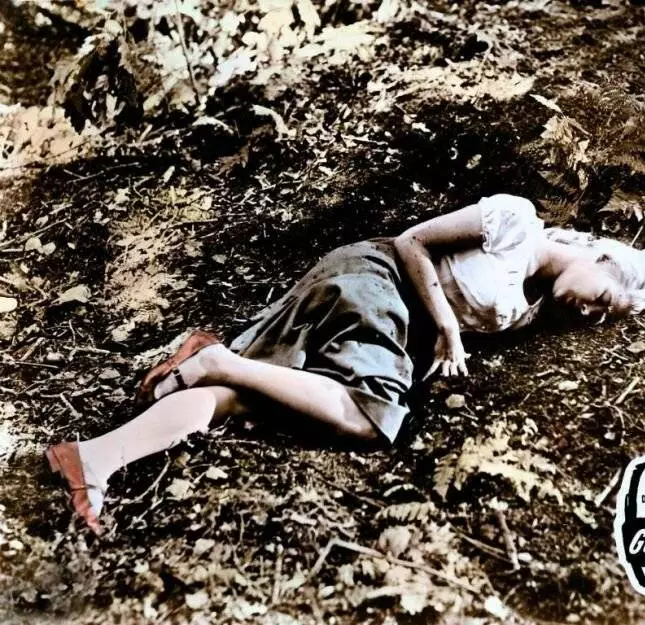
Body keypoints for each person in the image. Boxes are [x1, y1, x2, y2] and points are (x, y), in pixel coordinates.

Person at [45, 194, 645, 535]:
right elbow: (412, 241)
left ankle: (96, 455)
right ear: (599, 257)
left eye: (603, 318)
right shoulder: (515, 221)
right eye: (602, 298)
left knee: (257, 396)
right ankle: (218, 359)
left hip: (393, 326)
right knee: (370, 418)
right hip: (375, 277)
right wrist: (445, 324)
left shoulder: (533, 308)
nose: (591, 313)